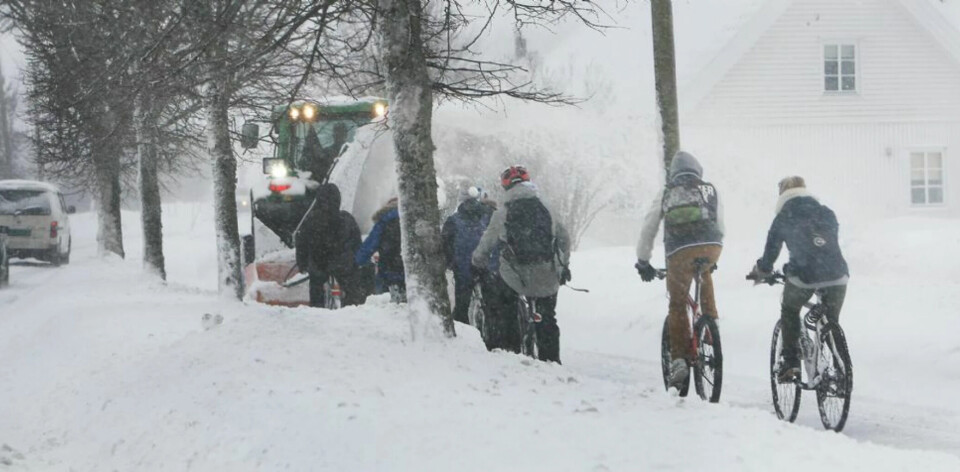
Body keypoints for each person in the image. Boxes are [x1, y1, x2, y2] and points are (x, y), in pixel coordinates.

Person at [635, 151, 724, 391]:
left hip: (680, 251)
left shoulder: (668, 192)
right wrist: (712, 253)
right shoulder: (708, 189)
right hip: (711, 246)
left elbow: (649, 227)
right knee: (704, 273)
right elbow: (720, 223)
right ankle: (710, 325)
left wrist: (643, 261)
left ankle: (679, 360)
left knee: (677, 303)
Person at [747, 176, 849, 383]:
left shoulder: (784, 216)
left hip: (804, 275)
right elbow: (824, 245)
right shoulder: (826, 212)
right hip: (837, 274)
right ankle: (840, 369)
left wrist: (762, 271)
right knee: (831, 321)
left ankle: (791, 362)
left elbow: (771, 252)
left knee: (790, 309)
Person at [472, 166, 571, 363]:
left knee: (507, 309)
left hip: (514, 275)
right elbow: (564, 239)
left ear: (506, 187)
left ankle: (513, 354)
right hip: (545, 273)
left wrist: (477, 262)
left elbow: (487, 243)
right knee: (547, 317)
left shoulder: (502, 212)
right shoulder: (548, 207)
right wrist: (563, 266)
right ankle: (551, 360)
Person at [294, 183, 365, 307]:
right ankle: (351, 306)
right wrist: (357, 261)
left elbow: (301, 244)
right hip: (343, 265)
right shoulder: (346, 219)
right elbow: (357, 243)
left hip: (319, 264)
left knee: (316, 286)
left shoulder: (310, 221)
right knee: (351, 287)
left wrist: (302, 264)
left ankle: (317, 309)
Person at [442, 186, 495, 325]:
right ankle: (493, 331)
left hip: (463, 267)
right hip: (487, 265)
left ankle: (463, 328)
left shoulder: (453, 220)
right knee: (492, 304)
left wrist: (449, 263)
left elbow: (445, 244)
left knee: (462, 304)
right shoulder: (488, 215)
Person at [356, 197, 405, 302]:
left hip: (388, 271)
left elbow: (369, 245)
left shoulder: (384, 221)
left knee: (385, 304)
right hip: (409, 273)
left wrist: (356, 262)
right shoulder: (412, 221)